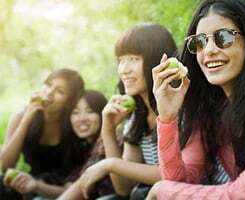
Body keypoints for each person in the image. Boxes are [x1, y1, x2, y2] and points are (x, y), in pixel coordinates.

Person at [147, 0, 245, 199]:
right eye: (200, 41)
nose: (208, 50)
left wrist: (162, 190)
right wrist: (167, 118)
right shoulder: (213, 108)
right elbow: (180, 183)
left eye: (223, 37)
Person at [77, 23, 177, 200]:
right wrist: (107, 129)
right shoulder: (137, 116)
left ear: (156, 60)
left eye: (134, 59)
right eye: (121, 60)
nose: (124, 70)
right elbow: (123, 187)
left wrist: (110, 164)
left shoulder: (178, 107)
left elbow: (181, 174)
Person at [0, 68, 84, 199]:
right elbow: (6, 165)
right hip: (30, 182)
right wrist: (26, 119)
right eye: (48, 84)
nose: (49, 93)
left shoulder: (75, 124)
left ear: (69, 102)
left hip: (62, 190)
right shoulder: (21, 116)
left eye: (59, 91)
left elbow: (78, 186)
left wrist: (37, 186)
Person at [58, 89, 117, 200]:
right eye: (75, 112)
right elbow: (72, 186)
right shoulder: (84, 148)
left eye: (89, 111)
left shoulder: (107, 143)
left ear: (102, 112)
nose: (82, 118)